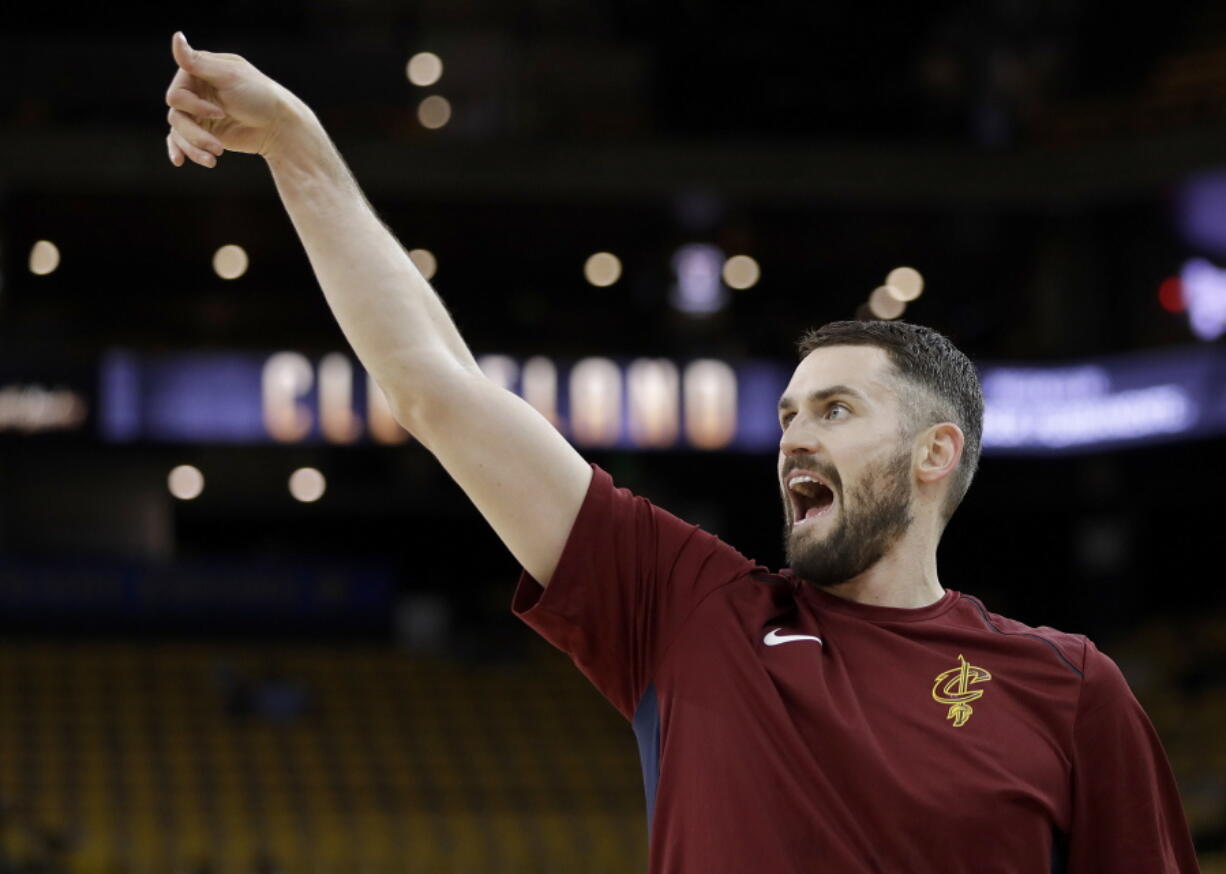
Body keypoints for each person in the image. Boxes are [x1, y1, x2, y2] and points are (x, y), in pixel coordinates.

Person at [162, 32, 1201, 873]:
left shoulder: (1066, 687)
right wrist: (296, 144)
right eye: (788, 413)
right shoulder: (694, 610)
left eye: (834, 409)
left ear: (934, 453)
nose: (792, 432)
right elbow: (434, 388)